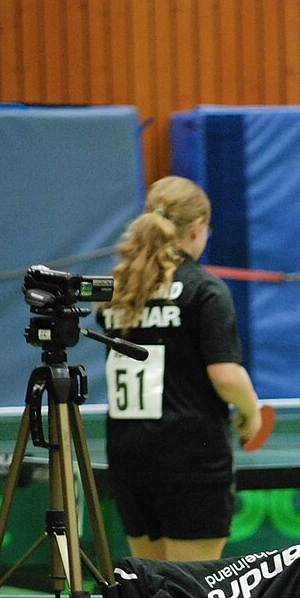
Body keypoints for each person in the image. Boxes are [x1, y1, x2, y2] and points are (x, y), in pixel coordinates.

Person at [97, 175, 261, 562]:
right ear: (198, 228)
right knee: (192, 588)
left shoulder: (121, 289)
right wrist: (251, 411)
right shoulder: (204, 290)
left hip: (128, 458)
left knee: (151, 584)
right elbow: (225, 375)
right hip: (191, 458)